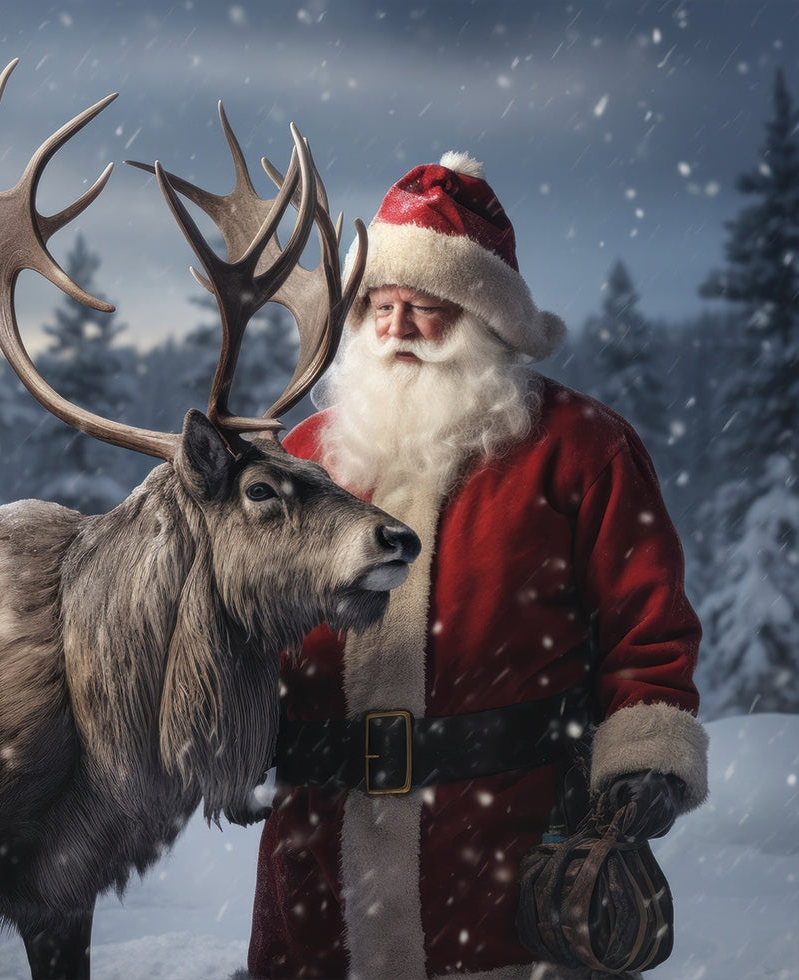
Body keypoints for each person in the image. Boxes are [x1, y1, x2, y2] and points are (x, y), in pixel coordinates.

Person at [248, 152, 708, 979]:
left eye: (425, 308)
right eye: (379, 307)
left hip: (506, 859)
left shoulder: (579, 449)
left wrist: (644, 760)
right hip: (317, 871)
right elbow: (248, 631)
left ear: (485, 320)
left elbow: (648, 628)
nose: (395, 329)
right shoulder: (305, 461)